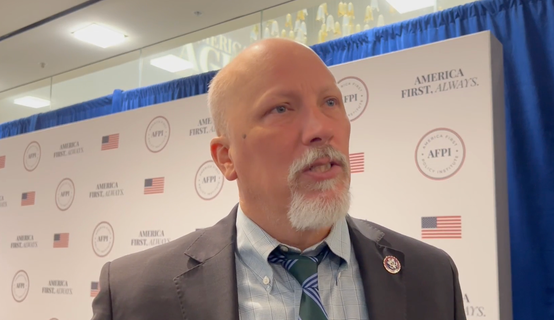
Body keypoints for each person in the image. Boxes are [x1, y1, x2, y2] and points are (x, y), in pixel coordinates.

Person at [91, 38, 466, 320]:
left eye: (331, 102)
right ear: (226, 158)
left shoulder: (429, 275)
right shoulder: (136, 294)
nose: (320, 128)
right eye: (281, 109)